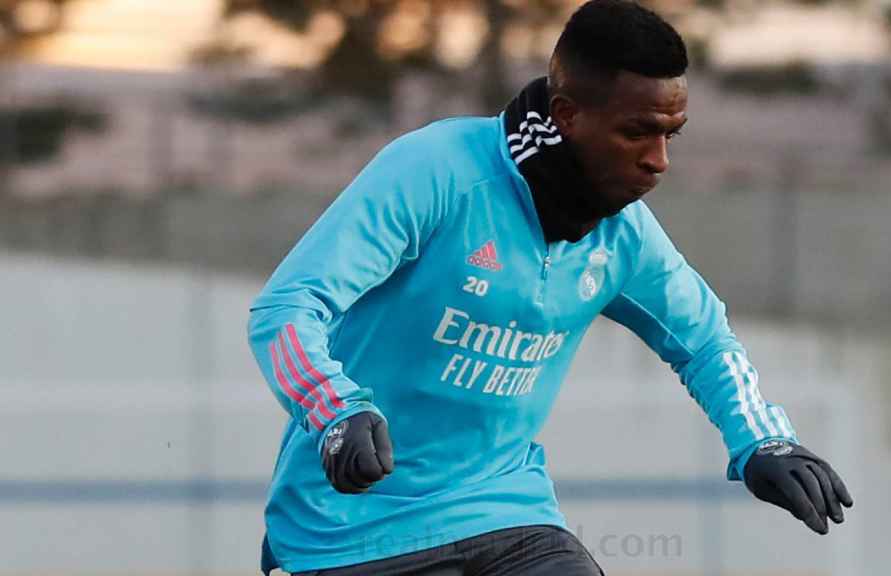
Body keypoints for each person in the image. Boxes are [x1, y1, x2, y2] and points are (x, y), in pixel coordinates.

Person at [247, 1, 853, 574]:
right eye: (638, 132)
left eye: (672, 134)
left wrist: (764, 440)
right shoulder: (436, 172)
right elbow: (287, 308)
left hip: (505, 511)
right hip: (350, 528)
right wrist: (334, 409)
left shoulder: (624, 236)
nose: (659, 160)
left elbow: (705, 342)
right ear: (566, 116)